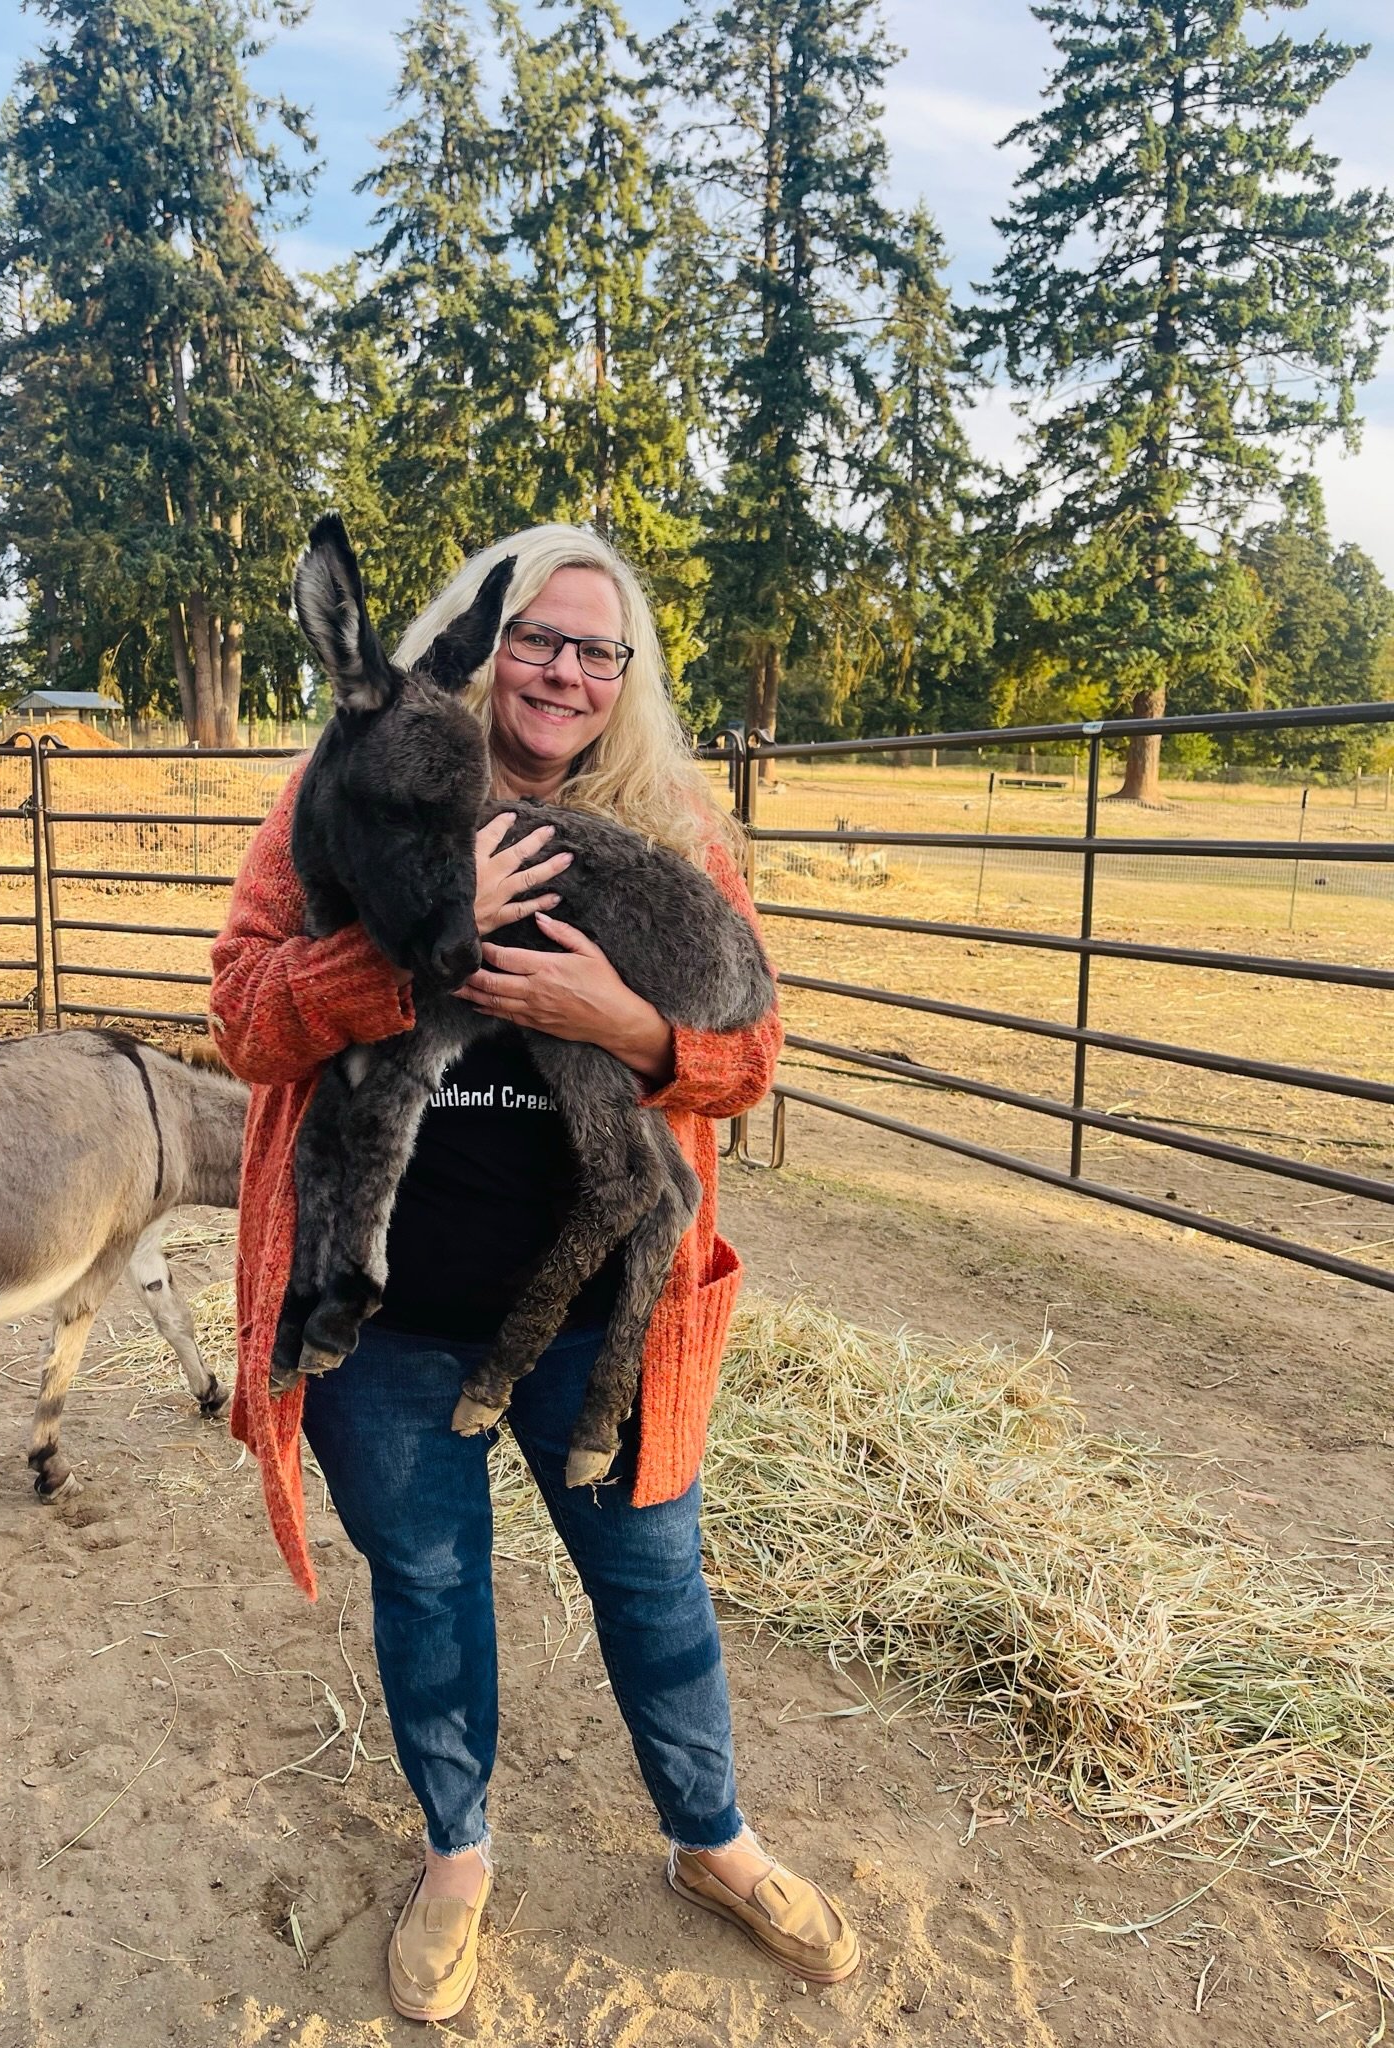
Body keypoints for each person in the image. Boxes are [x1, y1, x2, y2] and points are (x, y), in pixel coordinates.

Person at [209, 523, 860, 2023]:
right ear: (484, 643)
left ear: (625, 677)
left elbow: (748, 1060)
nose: (563, 669)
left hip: (587, 1310)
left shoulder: (676, 832)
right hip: (393, 1310)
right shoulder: (356, 791)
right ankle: (457, 1851)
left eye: (597, 647)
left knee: (651, 1575)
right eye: (538, 638)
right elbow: (245, 1018)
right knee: (429, 1585)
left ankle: (714, 1838)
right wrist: (413, 953)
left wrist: (626, 1025)